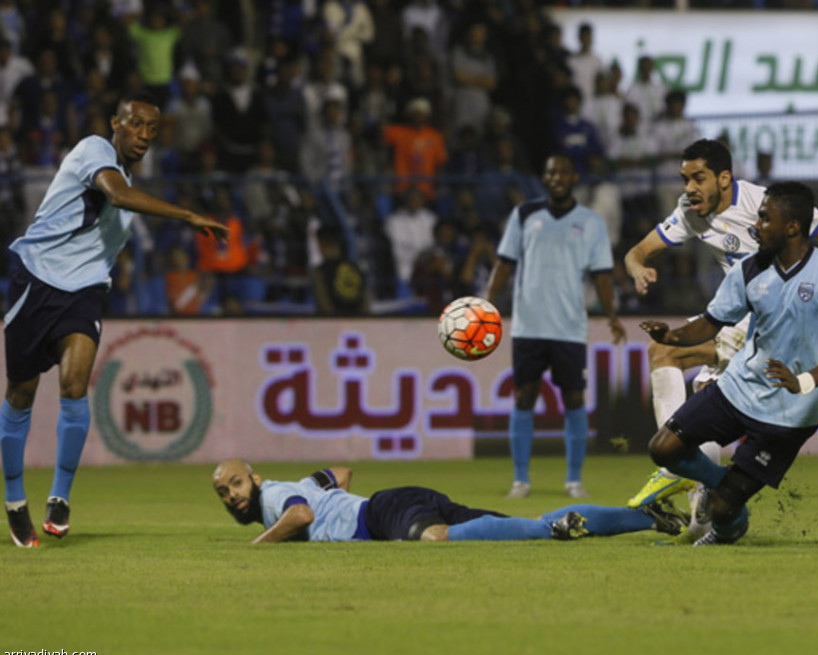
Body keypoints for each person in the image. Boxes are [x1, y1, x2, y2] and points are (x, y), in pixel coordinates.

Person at [1, 92, 229, 547]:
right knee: (22, 393)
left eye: (153, 129)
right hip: (36, 279)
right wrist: (186, 214)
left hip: (83, 293)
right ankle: (14, 501)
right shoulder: (93, 150)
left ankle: (60, 498)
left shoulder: (126, 195)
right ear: (115, 124)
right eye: (136, 125)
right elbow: (118, 196)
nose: (144, 135)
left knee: (74, 384)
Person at [624, 139, 818, 518]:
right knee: (673, 361)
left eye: (697, 178)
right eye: (684, 179)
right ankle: (697, 497)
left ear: (723, 177)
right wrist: (638, 269)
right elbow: (635, 252)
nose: (689, 188)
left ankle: (679, 471)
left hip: (768, 314)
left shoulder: (763, 202)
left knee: (692, 377)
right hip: (738, 307)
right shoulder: (689, 211)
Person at [639, 181, 818, 545]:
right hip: (740, 388)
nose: (756, 226)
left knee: (726, 511)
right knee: (662, 448)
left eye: (763, 218)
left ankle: (728, 524)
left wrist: (802, 381)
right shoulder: (750, 269)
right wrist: (672, 336)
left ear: (791, 226)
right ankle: (716, 483)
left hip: (792, 414)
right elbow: (711, 323)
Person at [485, 154, 626, 500]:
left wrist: (611, 315)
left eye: (563, 171)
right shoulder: (524, 215)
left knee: (574, 399)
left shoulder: (591, 222)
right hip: (528, 324)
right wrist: (486, 302)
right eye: (551, 172)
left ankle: (573, 480)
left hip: (569, 326)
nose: (557, 177)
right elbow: (505, 262)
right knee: (523, 397)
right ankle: (520, 480)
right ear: (544, 178)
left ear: (574, 176)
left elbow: (602, 274)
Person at [212, 458, 688, 543]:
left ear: (253, 477)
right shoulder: (292, 484)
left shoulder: (273, 498)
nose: (232, 496)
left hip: (382, 514)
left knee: (434, 539)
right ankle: (645, 518)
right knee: (517, 529)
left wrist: (261, 545)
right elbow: (339, 472)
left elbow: (300, 514)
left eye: (235, 484)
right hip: (401, 498)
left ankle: (552, 528)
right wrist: (327, 489)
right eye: (223, 493)